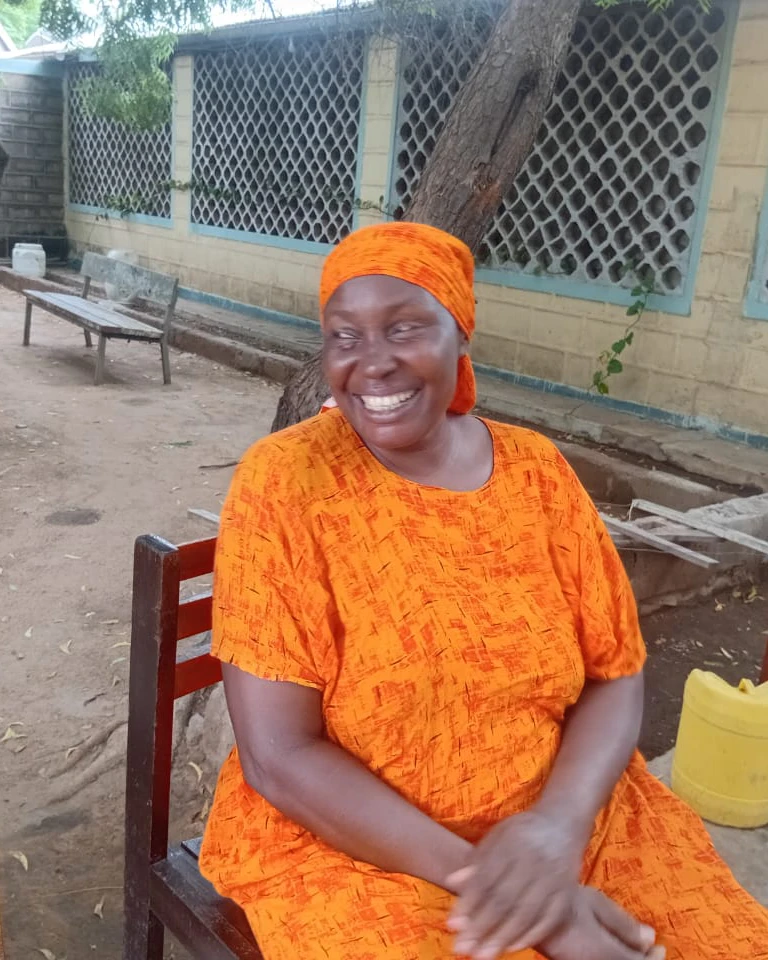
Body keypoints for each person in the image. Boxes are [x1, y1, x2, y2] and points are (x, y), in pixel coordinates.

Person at [200, 222, 768, 960]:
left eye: (405, 326)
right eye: (345, 336)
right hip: (356, 850)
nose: (372, 363)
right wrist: (534, 906)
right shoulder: (287, 485)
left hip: (569, 819)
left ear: (459, 335)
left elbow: (615, 671)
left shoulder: (537, 473)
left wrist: (556, 829)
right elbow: (280, 756)